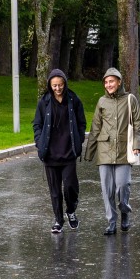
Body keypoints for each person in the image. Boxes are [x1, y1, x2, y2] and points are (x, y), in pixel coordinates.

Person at [83, 67, 140, 236]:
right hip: (104, 151)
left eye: (112, 81)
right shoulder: (101, 101)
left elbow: (137, 124)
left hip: (125, 150)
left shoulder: (130, 99)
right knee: (107, 190)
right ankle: (111, 222)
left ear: (119, 82)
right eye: (106, 82)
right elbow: (95, 127)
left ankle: (124, 211)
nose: (109, 85)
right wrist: (89, 152)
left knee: (123, 186)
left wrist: (137, 144)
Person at [33, 69, 87, 234]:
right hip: (50, 154)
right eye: (54, 85)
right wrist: (39, 142)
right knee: (55, 190)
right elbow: (37, 124)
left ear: (65, 83)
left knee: (70, 187)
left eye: (60, 85)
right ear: (50, 85)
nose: (57, 88)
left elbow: (81, 122)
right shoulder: (44, 102)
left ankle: (71, 211)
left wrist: (78, 141)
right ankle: (58, 219)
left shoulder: (73, 100)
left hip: (68, 152)